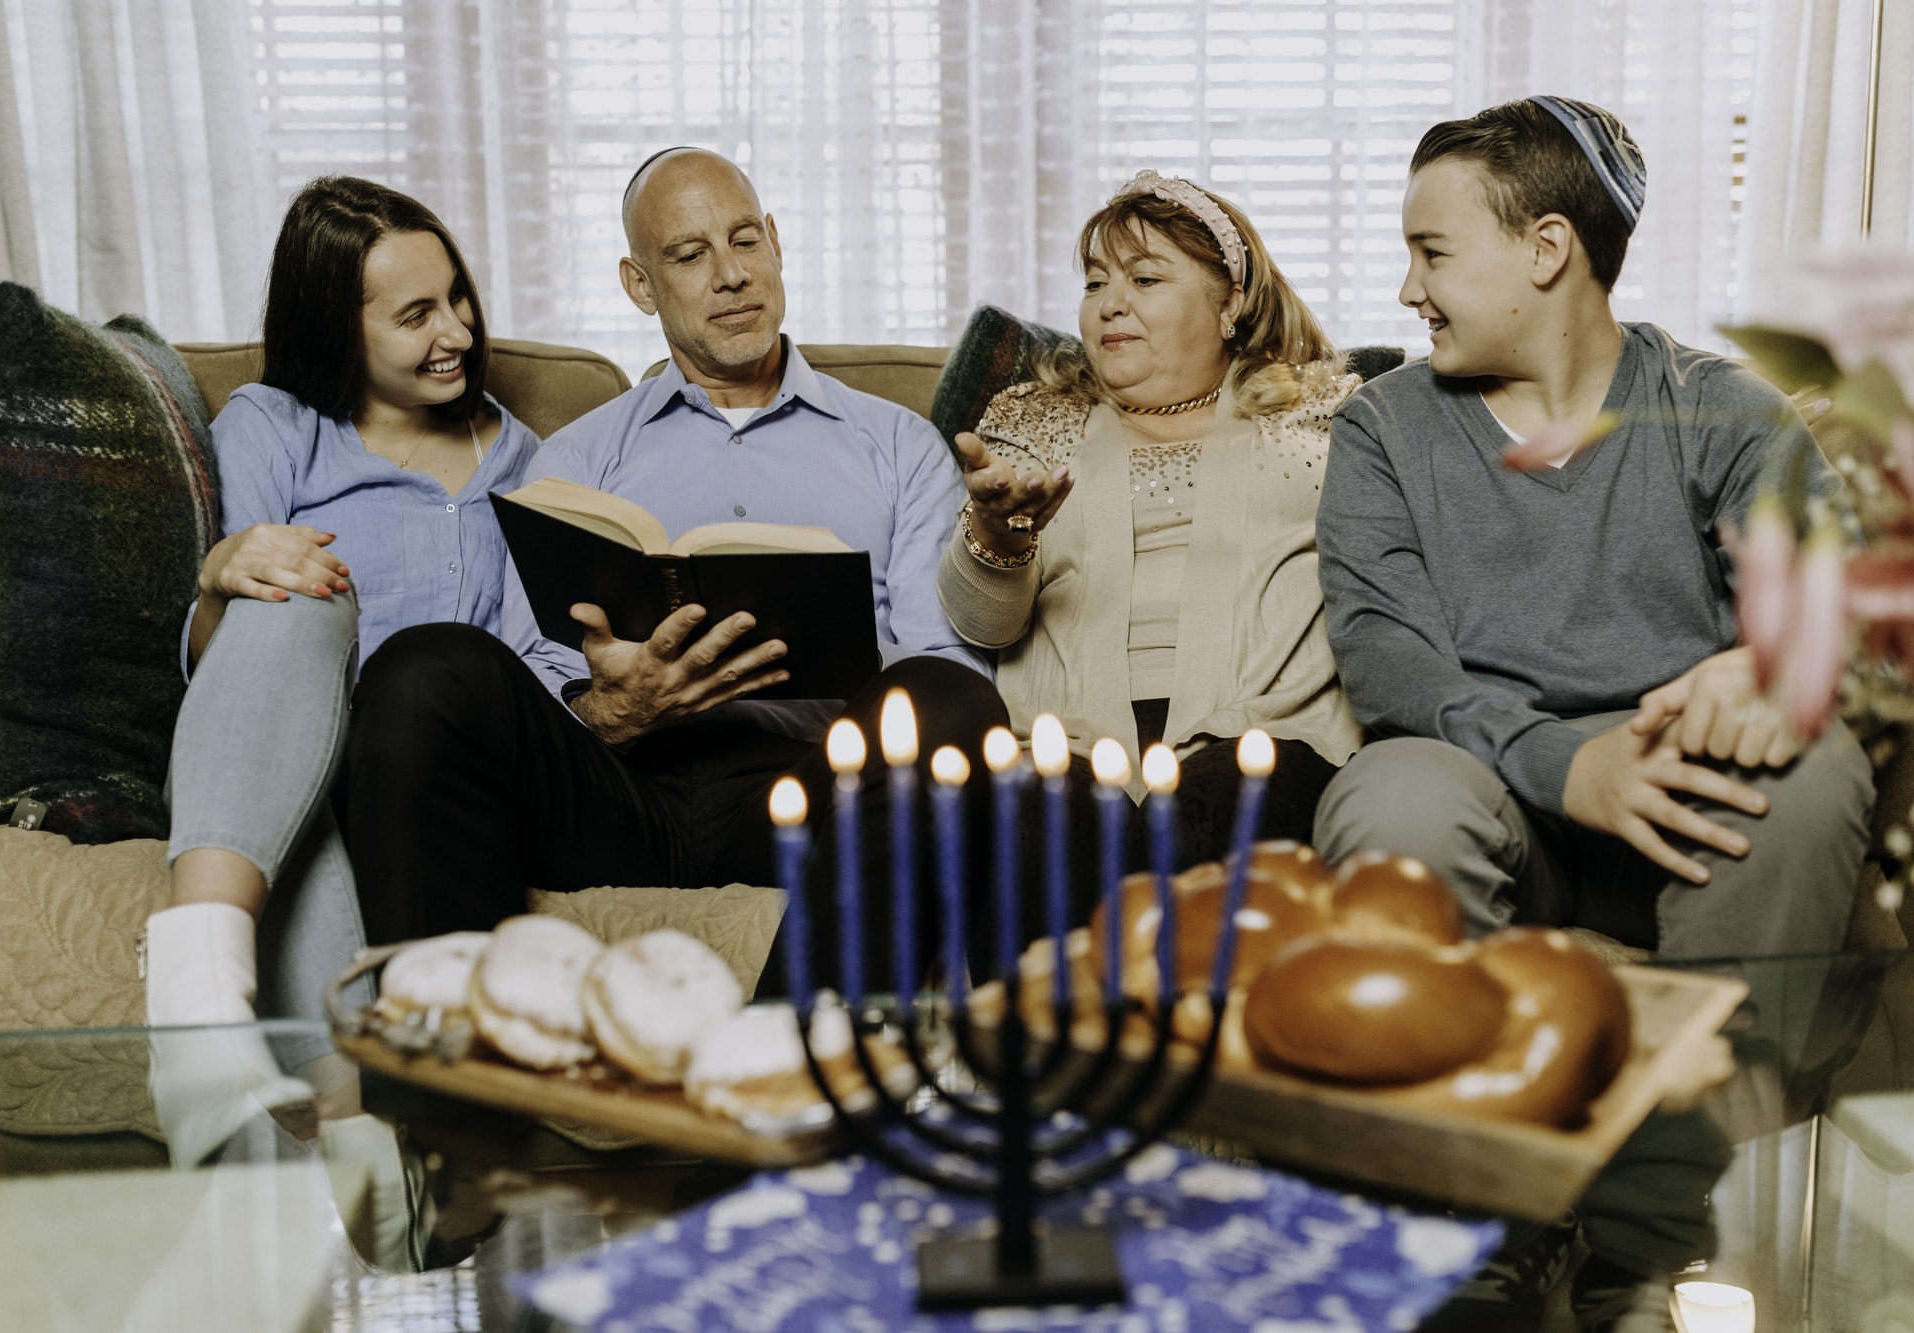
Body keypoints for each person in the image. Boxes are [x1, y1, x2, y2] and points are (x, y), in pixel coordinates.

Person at [341, 148, 1008, 992]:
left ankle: (783, 1052)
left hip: (806, 791)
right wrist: (614, 710)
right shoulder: (578, 455)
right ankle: (443, 1049)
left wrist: (837, 666)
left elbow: (945, 663)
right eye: (690, 255)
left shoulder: (898, 444)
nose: (731, 275)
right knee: (423, 666)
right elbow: (529, 663)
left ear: (775, 242)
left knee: (951, 699)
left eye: (744, 241)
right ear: (640, 285)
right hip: (620, 791)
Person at [1312, 97, 1873, 958]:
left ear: (1546, 248)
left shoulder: (1724, 411)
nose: (1408, 290)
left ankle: (1722, 1048)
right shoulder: (1381, 427)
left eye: (1433, 253)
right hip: (1483, 780)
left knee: (1812, 767)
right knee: (1391, 799)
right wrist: (1565, 765)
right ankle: (1457, 1046)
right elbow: (1390, 664)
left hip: (1685, 791)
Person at [140, 176, 537, 1165]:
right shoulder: (270, 427)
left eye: (457, 296)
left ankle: (213, 1013)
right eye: (415, 314)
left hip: (422, 777)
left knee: (355, 709)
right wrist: (222, 575)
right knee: (297, 583)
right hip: (264, 758)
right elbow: (224, 671)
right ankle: (340, 1132)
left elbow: (529, 672)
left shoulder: (528, 460)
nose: (456, 331)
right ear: (337, 327)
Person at [938, 170, 1362, 879]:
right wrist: (999, 536)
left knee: (1210, 809)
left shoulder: (1320, 417)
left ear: (1229, 302)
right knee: (1036, 820)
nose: (1110, 303)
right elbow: (983, 627)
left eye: (1144, 279)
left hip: (1264, 734)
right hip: (1069, 744)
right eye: (1095, 282)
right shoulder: (1032, 418)